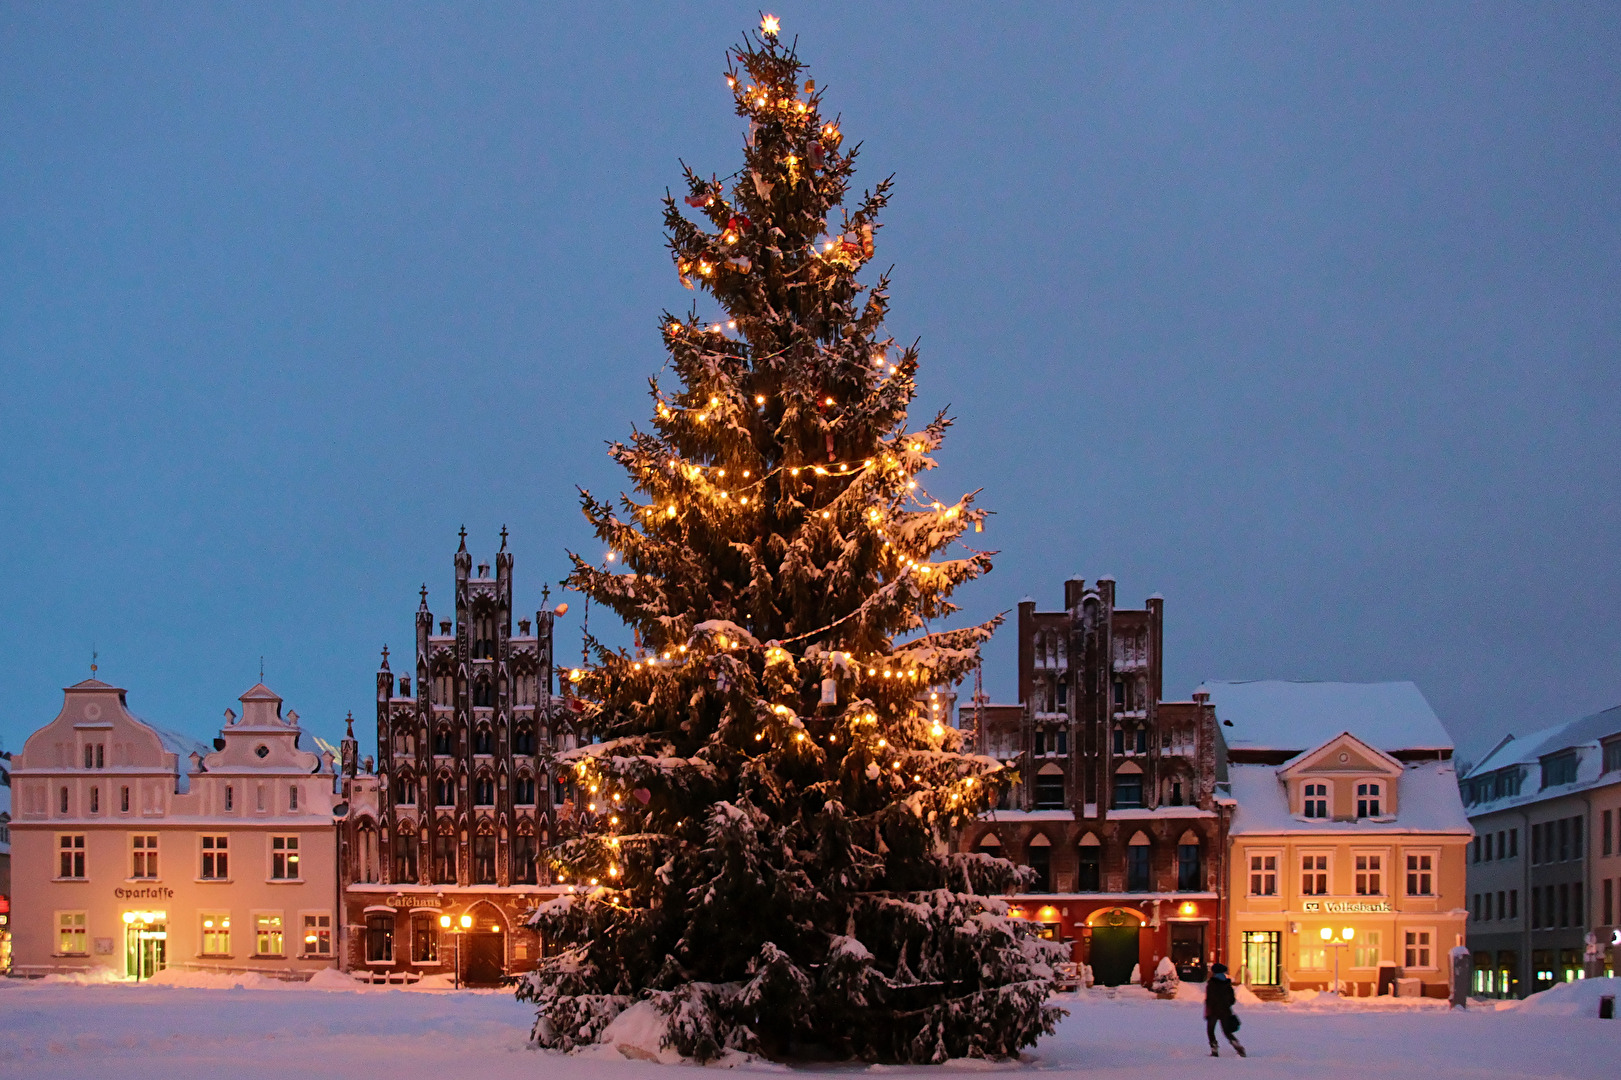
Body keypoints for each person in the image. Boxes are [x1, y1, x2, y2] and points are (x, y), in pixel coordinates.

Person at [1204, 962, 1246, 1057]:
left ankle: (1214, 1049)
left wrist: (1209, 1009)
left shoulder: (1212, 984)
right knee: (1227, 1031)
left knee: (1210, 1030)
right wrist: (1226, 1005)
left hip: (1213, 1011)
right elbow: (1232, 1000)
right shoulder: (1227, 984)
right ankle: (1236, 1045)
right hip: (1225, 1011)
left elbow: (1209, 999)